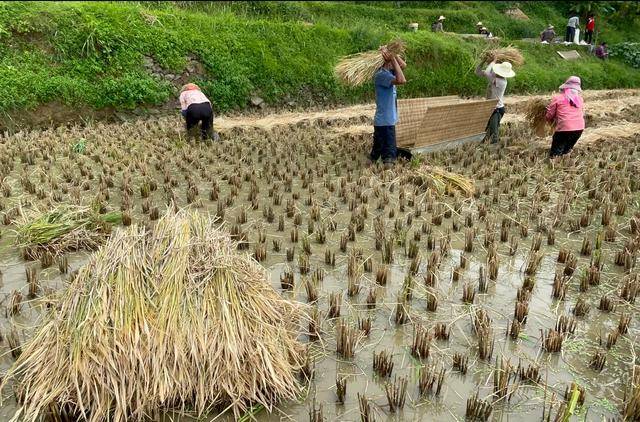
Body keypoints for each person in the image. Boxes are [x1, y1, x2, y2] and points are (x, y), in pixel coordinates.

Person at [370, 46, 407, 164]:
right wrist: (392, 59)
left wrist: (394, 55)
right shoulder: (381, 75)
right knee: (388, 158)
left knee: (378, 154)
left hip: (385, 121)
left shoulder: (387, 72)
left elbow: (403, 66)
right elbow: (402, 80)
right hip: (385, 122)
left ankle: (374, 161)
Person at [475, 60, 516, 144]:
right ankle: (485, 144)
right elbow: (477, 72)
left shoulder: (501, 82)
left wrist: (493, 61)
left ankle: (494, 147)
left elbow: (486, 72)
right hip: (490, 107)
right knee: (487, 129)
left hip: (497, 109)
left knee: (494, 133)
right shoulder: (494, 76)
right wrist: (483, 62)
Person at [546, 76, 585, 158]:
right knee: (566, 150)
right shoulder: (579, 99)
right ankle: (564, 165)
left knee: (556, 152)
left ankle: (555, 166)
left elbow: (550, 114)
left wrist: (548, 119)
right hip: (579, 128)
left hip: (564, 128)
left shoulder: (558, 98)